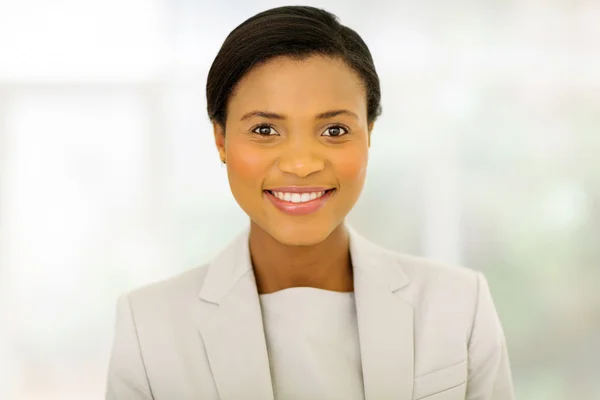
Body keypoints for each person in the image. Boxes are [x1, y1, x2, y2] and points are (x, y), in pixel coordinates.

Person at [106, 5, 514, 400]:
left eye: (335, 129)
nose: (301, 165)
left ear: (369, 133)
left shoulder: (460, 306)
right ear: (221, 139)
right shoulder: (149, 327)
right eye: (265, 129)